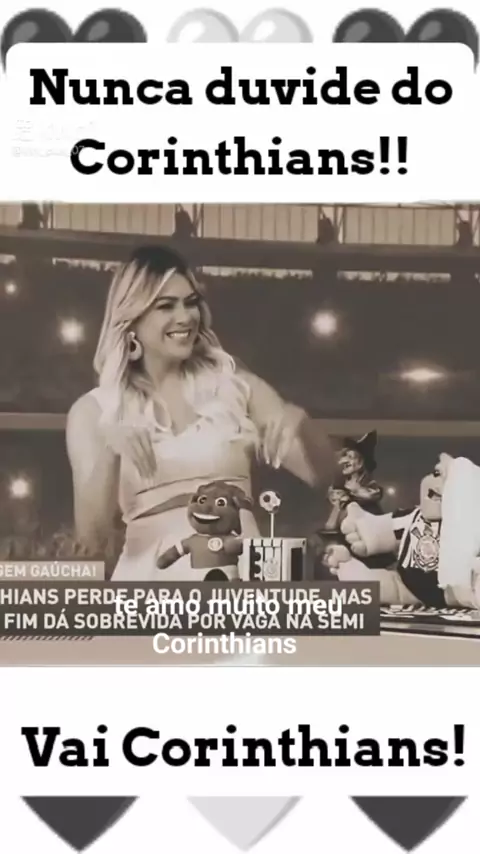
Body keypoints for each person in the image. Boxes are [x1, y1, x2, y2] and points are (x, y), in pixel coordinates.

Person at [66, 244, 334, 581]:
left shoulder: (238, 385)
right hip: (148, 585)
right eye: (166, 306)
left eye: (190, 303)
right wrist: (111, 450)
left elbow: (325, 476)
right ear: (131, 320)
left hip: (241, 583)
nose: (185, 317)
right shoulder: (92, 411)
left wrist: (301, 423)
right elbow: (91, 538)